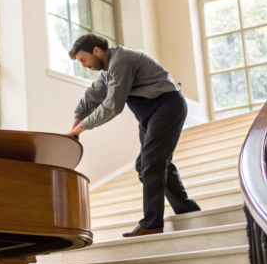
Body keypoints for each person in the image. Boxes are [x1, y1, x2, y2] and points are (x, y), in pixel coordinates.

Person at [64, 34, 201, 238]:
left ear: (96, 50)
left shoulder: (122, 60)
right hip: (151, 113)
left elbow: (112, 106)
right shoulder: (107, 73)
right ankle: (187, 210)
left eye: (83, 59)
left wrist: (80, 129)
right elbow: (91, 98)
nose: (84, 65)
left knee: (152, 161)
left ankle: (152, 223)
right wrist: (73, 128)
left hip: (167, 105)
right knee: (148, 164)